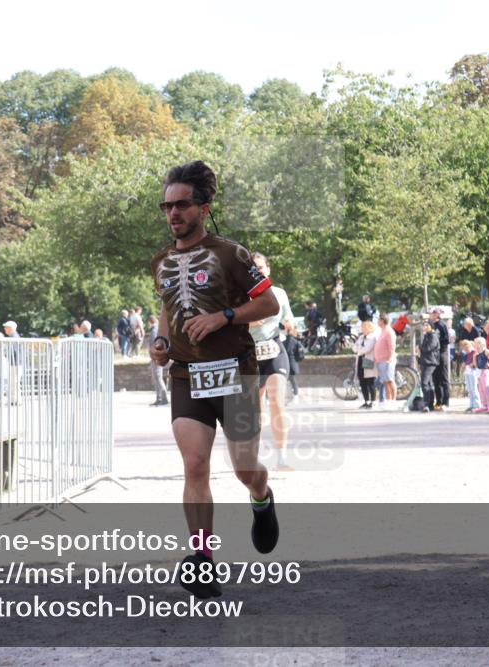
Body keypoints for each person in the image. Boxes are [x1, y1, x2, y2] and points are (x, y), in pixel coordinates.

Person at [148, 160, 280, 599]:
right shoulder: (162, 261)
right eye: (166, 206)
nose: (172, 214)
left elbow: (269, 306)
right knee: (195, 464)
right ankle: (202, 559)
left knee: (244, 467)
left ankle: (261, 497)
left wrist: (225, 316)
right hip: (188, 376)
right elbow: (169, 305)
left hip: (235, 373)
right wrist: (162, 342)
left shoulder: (232, 254)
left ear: (204, 207)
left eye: (182, 204)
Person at [248, 253, 297, 470]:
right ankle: (254, 457)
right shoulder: (240, 295)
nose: (258, 271)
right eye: (254, 268)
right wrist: (248, 322)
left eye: (261, 267)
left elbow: (289, 319)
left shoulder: (279, 294)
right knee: (256, 412)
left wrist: (290, 325)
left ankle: (282, 457)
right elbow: (228, 324)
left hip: (274, 349)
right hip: (250, 355)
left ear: (268, 269)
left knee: (277, 402)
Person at [427, 308, 451, 409]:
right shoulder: (432, 324)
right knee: (435, 379)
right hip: (434, 355)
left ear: (437, 314)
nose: (431, 315)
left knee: (443, 378)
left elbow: (446, 339)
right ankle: (438, 401)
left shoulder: (442, 324)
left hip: (442, 353)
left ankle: (446, 402)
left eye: (433, 313)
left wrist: (437, 341)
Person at [353, 320, 379, 409]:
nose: (362, 329)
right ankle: (366, 401)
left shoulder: (373, 337)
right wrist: (359, 349)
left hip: (368, 360)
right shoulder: (361, 337)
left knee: (370, 381)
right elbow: (354, 347)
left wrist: (359, 349)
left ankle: (373, 401)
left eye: (363, 327)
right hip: (360, 359)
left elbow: (367, 349)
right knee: (362, 381)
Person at [374, 313, 397, 408]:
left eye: (378, 320)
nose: (377, 322)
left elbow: (392, 346)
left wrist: (389, 359)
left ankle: (393, 401)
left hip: (387, 360)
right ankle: (388, 400)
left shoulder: (389, 331)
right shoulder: (382, 331)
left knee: (390, 380)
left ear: (382, 321)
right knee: (385, 381)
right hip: (381, 360)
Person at [418, 320, 440, 413]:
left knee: (425, 383)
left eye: (427, 325)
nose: (425, 327)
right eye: (424, 325)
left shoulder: (433, 336)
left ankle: (427, 403)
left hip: (430, 362)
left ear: (431, 326)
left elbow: (428, 348)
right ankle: (430, 404)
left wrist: (419, 347)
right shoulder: (427, 335)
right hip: (426, 361)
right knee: (429, 383)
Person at [147, 314, 169, 407]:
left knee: (158, 378)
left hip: (156, 357)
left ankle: (162, 398)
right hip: (155, 357)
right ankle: (160, 398)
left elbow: (156, 344)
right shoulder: (155, 329)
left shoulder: (155, 329)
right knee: (157, 378)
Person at [2, 320, 22, 405]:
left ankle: (15, 400)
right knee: (14, 382)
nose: (5, 329)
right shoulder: (14, 336)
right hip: (15, 363)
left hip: (15, 363)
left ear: (10, 328)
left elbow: (13, 351)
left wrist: (6, 353)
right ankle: (15, 399)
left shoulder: (14, 337)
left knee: (14, 382)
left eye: (6, 327)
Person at [458, 340, 481, 413]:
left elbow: (475, 364)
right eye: (464, 348)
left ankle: (477, 405)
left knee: (474, 389)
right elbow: (464, 363)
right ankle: (471, 405)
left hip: (473, 372)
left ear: (470, 345)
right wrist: (463, 366)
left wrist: (471, 364)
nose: (466, 350)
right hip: (467, 373)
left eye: (466, 347)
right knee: (470, 390)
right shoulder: (466, 355)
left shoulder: (474, 352)